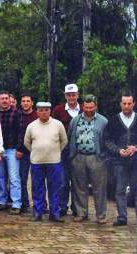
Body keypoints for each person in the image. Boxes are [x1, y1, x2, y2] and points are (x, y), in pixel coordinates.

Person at [24, 102, 68, 222]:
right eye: (41, 110)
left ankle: (55, 213)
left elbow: (64, 141)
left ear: (50, 111)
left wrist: (55, 152)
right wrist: (36, 151)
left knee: (55, 188)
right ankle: (38, 212)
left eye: (46, 110)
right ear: (37, 112)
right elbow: (27, 142)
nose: (44, 112)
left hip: (54, 162)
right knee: (37, 188)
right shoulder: (31, 126)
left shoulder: (58, 125)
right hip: (37, 162)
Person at [68, 95, 108, 224]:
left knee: (99, 187)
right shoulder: (75, 120)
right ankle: (81, 213)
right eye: (86, 107)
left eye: (91, 107)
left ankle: (101, 215)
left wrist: (103, 155)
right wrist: (72, 155)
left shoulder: (103, 121)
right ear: (83, 106)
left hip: (96, 157)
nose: (89, 109)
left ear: (96, 106)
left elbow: (107, 140)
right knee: (80, 187)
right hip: (79, 156)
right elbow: (70, 136)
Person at [105, 93, 137, 226]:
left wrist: (135, 148)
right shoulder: (113, 120)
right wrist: (118, 150)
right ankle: (122, 217)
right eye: (124, 103)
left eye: (129, 103)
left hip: (136, 161)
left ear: (134, 104)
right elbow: (107, 140)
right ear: (120, 104)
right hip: (119, 161)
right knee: (120, 189)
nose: (126, 106)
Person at [52, 83, 81, 217]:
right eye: (69, 95)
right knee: (62, 180)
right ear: (65, 96)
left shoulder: (84, 110)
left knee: (77, 181)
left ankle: (77, 207)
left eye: (73, 95)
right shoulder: (58, 110)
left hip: (79, 151)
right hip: (62, 150)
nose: (71, 97)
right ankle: (62, 207)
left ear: (77, 95)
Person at [0, 91, 22, 214]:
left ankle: (16, 203)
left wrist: (19, 148)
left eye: (6, 98)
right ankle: (2, 201)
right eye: (2, 98)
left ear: (9, 100)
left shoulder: (16, 113)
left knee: (14, 178)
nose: (5, 100)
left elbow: (21, 131)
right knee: (0, 177)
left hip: (12, 149)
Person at [19, 94, 38, 213]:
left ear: (32, 103)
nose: (25, 103)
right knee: (22, 179)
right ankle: (24, 203)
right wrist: (19, 149)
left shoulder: (37, 115)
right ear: (21, 103)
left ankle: (40, 204)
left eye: (28, 101)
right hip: (23, 153)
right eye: (23, 101)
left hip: (36, 152)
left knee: (37, 180)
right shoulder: (18, 115)